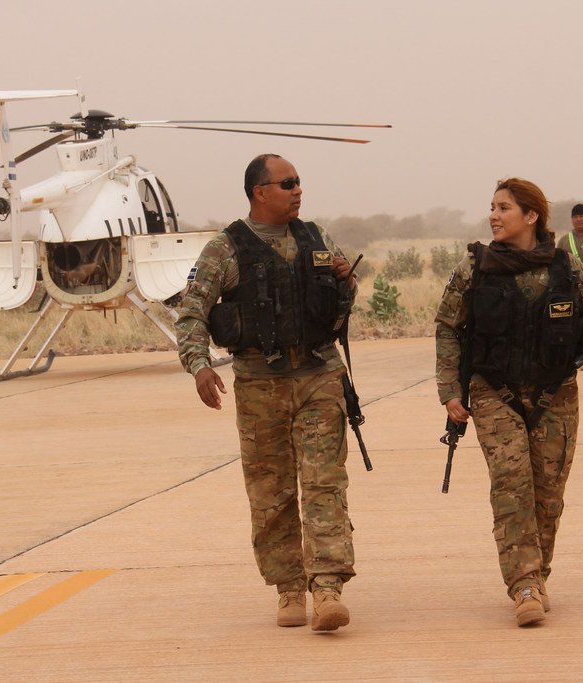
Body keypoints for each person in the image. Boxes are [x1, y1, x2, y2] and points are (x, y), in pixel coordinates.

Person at [435, 178, 583, 627]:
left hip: (555, 395)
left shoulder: (566, 269)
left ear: (531, 217)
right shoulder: (474, 269)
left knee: (547, 493)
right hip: (494, 392)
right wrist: (450, 391)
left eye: (504, 208)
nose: (494, 215)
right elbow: (449, 329)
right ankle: (524, 583)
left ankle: (538, 572)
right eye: (491, 207)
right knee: (512, 485)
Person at [175, 153, 358, 632]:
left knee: (324, 484)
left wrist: (345, 282)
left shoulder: (317, 238)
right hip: (259, 385)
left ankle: (327, 589)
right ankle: (289, 589)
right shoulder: (225, 248)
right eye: (287, 183)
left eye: (299, 182)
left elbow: (340, 301)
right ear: (260, 192)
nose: (298, 190)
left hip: (319, 376)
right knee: (271, 493)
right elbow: (191, 311)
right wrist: (198, 366)